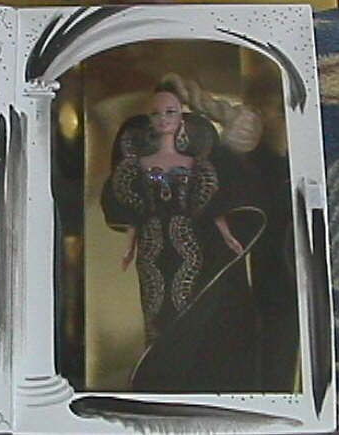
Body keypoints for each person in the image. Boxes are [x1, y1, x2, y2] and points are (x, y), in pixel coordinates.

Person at [101, 73, 266, 392]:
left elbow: (213, 203)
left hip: (195, 242)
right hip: (153, 246)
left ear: (181, 116)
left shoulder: (199, 151)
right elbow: (131, 207)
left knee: (197, 303)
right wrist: (129, 245)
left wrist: (228, 237)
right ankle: (162, 381)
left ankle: (201, 377)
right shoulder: (136, 154)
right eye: (157, 113)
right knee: (160, 312)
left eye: (170, 112)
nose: (164, 119)